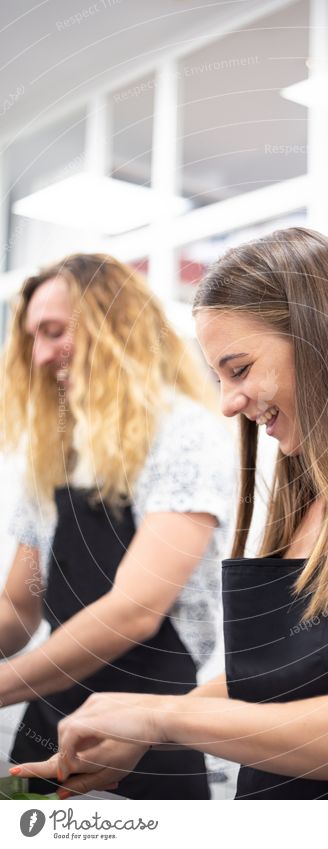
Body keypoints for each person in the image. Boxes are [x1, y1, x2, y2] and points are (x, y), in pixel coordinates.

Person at [12, 228, 328, 800]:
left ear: (325, 328)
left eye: (240, 367)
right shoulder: (306, 494)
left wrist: (161, 720)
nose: (228, 401)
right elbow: (273, 677)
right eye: (220, 377)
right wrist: (143, 732)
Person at [0, 253, 235, 799]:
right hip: (50, 716)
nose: (39, 356)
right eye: (33, 338)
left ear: (113, 326)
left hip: (144, 725)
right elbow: (19, 607)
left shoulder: (184, 433)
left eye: (55, 332)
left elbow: (134, 611)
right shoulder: (54, 450)